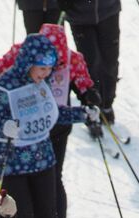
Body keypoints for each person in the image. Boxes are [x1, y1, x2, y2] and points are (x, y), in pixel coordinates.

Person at [0, 33, 92, 218]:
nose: (46, 74)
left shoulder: (42, 84)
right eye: (41, 68)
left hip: (42, 160)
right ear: (27, 62)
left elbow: (52, 114)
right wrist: (3, 128)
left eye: (49, 69)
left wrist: (83, 114)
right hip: (11, 166)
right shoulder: (3, 87)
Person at [56, 0, 121, 133]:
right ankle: (92, 108)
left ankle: (107, 104)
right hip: (79, 14)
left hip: (108, 10)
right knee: (89, 63)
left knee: (110, 61)